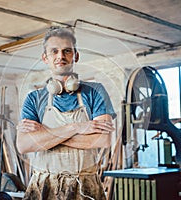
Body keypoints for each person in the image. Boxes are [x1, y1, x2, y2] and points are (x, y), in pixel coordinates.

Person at [16, 26, 116, 200]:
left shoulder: (95, 92)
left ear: (75, 56)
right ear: (45, 58)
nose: (60, 56)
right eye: (54, 51)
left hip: (84, 185)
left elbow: (102, 139)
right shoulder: (34, 98)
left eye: (66, 51)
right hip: (43, 186)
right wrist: (75, 127)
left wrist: (44, 136)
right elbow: (24, 145)